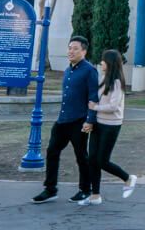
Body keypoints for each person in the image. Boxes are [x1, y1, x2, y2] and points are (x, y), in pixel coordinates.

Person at [32, 36, 98, 204]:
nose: (71, 51)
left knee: (81, 156)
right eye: (69, 48)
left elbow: (93, 97)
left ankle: (85, 189)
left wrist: (89, 120)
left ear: (84, 51)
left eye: (75, 48)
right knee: (52, 151)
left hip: (79, 121)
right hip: (62, 120)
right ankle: (50, 189)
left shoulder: (90, 70)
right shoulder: (68, 70)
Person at [83, 49, 137, 205]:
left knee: (102, 161)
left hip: (111, 125)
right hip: (98, 123)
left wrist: (95, 107)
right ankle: (95, 195)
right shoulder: (102, 78)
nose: (101, 63)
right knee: (92, 159)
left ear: (110, 63)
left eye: (103, 60)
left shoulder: (117, 82)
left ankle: (127, 178)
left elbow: (113, 106)